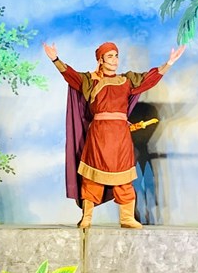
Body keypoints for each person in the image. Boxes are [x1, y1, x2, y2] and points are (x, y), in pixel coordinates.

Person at [44, 41, 185, 229]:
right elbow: (71, 76)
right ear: (100, 60)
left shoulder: (126, 81)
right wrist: (55, 59)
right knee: (93, 177)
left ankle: (127, 218)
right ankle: (87, 217)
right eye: (110, 56)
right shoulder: (90, 81)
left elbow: (149, 78)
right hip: (99, 135)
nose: (114, 59)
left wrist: (169, 63)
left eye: (116, 55)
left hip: (120, 136)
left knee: (124, 178)